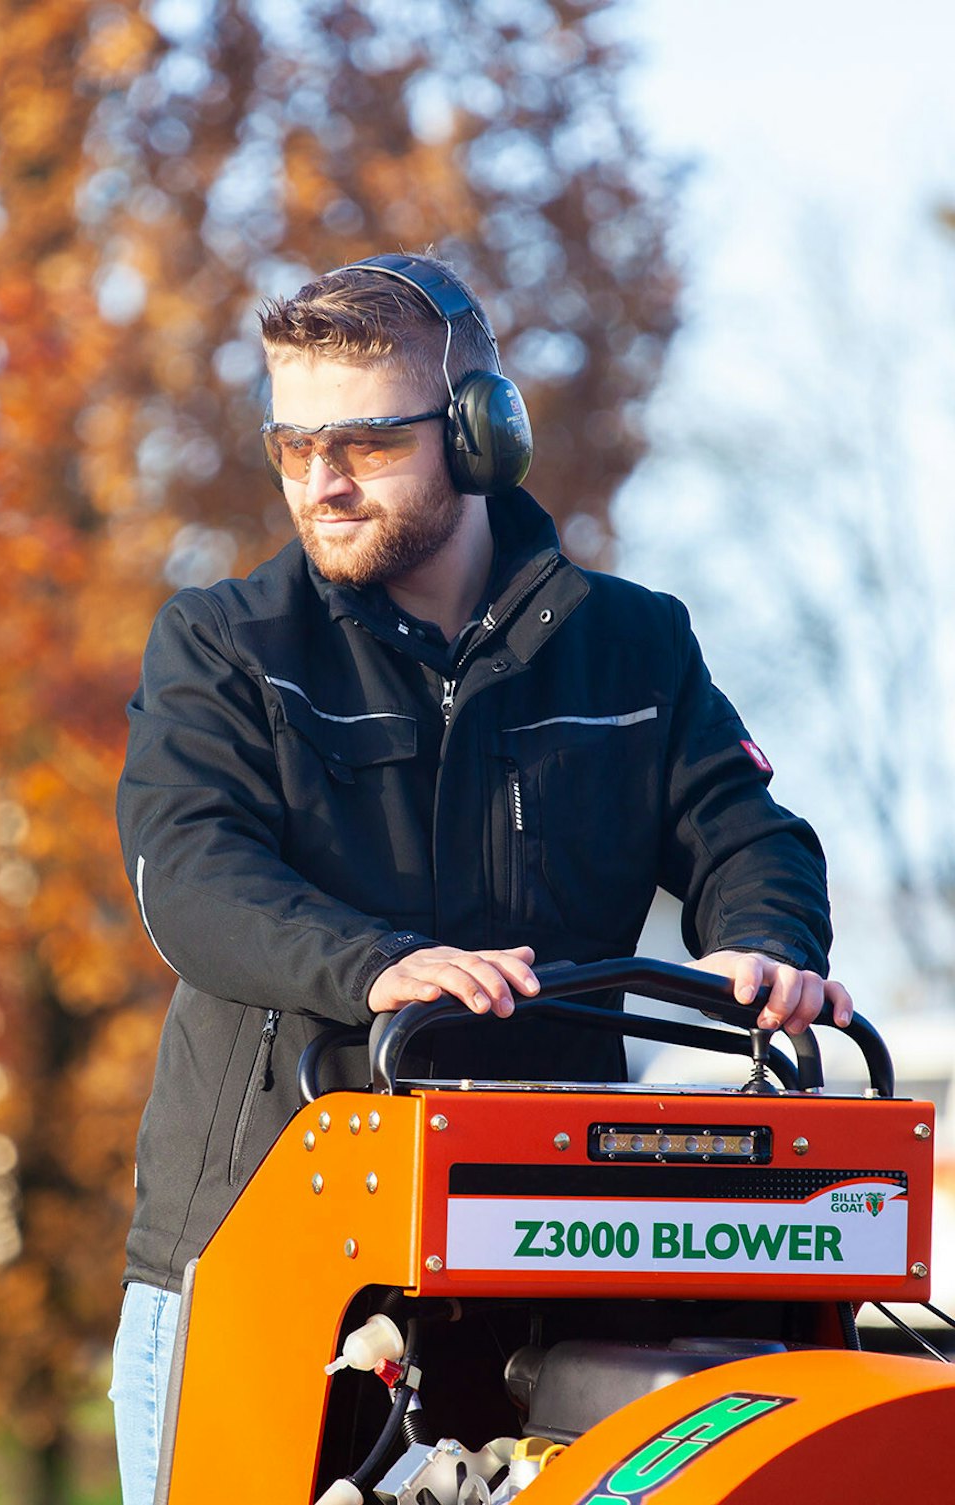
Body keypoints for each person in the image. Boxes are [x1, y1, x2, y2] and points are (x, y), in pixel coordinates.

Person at [108, 251, 852, 1503]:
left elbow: (744, 832)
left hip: (550, 1268)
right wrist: (371, 965)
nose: (321, 482)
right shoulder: (223, 646)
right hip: (263, 1259)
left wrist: (767, 942)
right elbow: (189, 870)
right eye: (292, 446)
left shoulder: (635, 646)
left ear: (478, 434)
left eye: (363, 443)